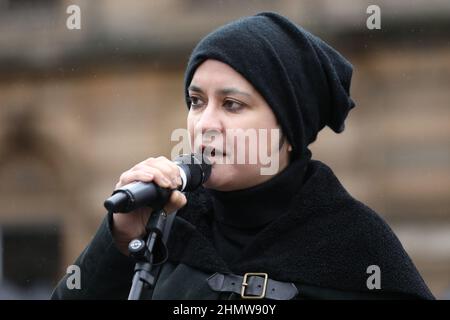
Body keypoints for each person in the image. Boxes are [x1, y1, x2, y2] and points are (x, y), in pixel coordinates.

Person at [51, 12, 434, 300]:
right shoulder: (166, 225)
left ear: (287, 128)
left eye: (232, 104)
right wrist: (118, 242)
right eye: (196, 101)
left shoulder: (357, 244)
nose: (205, 124)